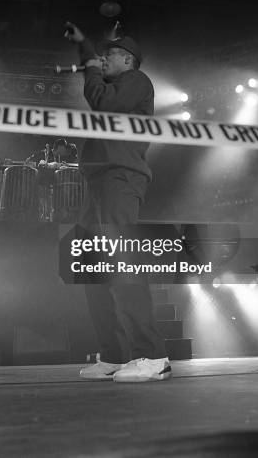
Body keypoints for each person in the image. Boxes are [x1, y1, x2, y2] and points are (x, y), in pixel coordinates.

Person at [65, 22, 171, 383]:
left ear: (127, 60)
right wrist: (84, 47)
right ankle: (113, 355)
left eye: (108, 56)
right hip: (98, 183)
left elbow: (104, 103)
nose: (102, 60)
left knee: (123, 262)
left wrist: (91, 69)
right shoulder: (115, 79)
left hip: (121, 178)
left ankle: (152, 356)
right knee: (92, 270)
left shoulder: (137, 82)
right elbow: (98, 80)